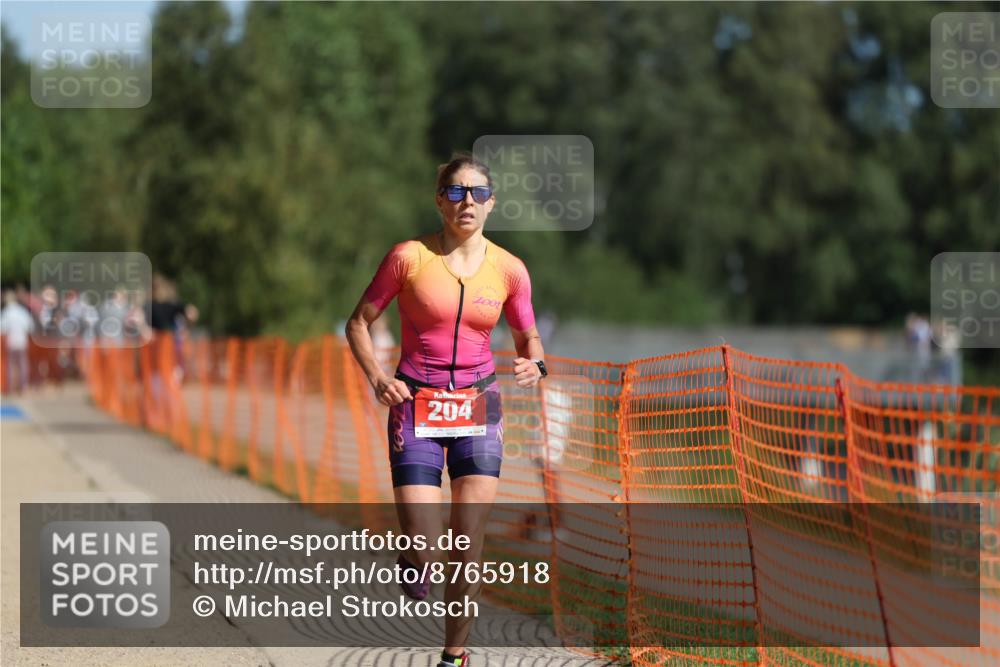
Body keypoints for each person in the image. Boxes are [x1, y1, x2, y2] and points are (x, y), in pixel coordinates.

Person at [345, 153, 547, 667]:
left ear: (492, 203)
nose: (467, 202)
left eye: (478, 193)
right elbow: (358, 322)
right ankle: (415, 559)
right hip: (416, 404)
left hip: (479, 404)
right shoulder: (408, 258)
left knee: (468, 541)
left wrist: (536, 364)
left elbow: (529, 337)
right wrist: (378, 378)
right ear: (440, 200)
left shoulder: (510, 269)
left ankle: (454, 656)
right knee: (427, 549)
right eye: (456, 192)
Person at [1, 289, 35, 393]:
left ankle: (11, 386)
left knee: (11, 365)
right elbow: (30, 326)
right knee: (22, 364)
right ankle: (23, 386)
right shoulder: (22, 311)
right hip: (22, 342)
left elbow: (2, 329)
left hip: (11, 342)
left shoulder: (6, 312)